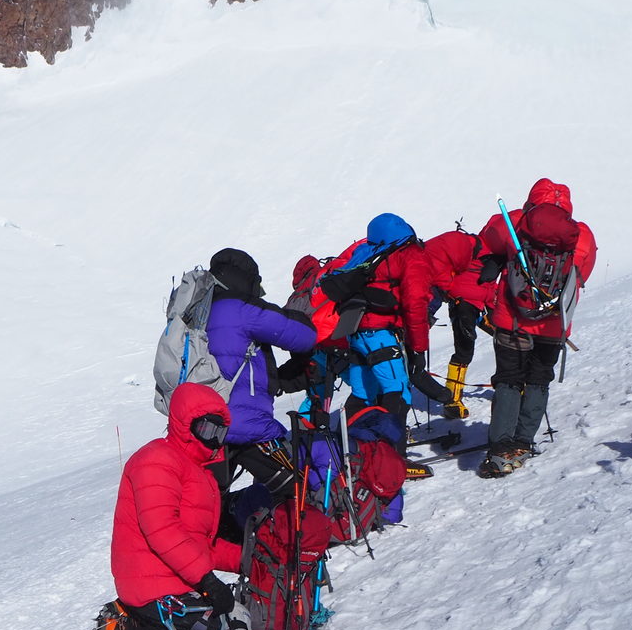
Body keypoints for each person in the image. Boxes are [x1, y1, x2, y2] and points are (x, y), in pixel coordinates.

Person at [107, 382, 261, 630]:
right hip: (154, 587)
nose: (213, 440)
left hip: (178, 580)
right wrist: (207, 580)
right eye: (205, 429)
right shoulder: (157, 460)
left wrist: (250, 560)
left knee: (242, 622)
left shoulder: (198, 472)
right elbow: (162, 530)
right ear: (183, 423)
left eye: (219, 432)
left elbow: (201, 545)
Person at [476, 180, 597, 477]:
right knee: (538, 379)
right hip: (554, 324)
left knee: (508, 379)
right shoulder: (582, 234)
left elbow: (486, 240)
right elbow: (583, 273)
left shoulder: (513, 221)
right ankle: (524, 440)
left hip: (512, 319)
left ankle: (501, 445)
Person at [332, 213, 448, 475]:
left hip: (356, 331)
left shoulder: (366, 252)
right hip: (384, 334)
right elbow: (415, 304)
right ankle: (393, 464)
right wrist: (418, 348)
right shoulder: (409, 255)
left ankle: (348, 453)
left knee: (363, 394)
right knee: (398, 393)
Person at [203, 247, 317, 499]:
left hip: (203, 427)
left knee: (210, 503)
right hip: (245, 424)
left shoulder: (197, 311)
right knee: (297, 493)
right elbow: (303, 336)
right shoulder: (240, 309)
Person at [422, 226, 500, 419]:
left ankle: (507, 387)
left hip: (476, 305)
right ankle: (452, 401)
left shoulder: (492, 254)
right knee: (465, 350)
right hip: (463, 304)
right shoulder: (477, 250)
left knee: (504, 341)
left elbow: (488, 285)